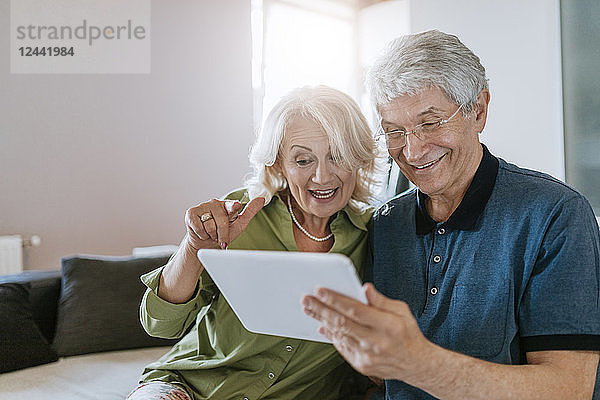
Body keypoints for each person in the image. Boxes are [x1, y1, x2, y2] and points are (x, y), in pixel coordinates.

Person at [302, 30, 600, 399]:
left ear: (478, 111)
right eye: (394, 131)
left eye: (429, 123)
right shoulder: (386, 222)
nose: (412, 150)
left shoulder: (555, 215)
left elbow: (569, 388)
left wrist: (419, 362)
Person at [126, 85, 384, 400]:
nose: (322, 176)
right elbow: (159, 325)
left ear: (358, 157)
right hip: (189, 388)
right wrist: (194, 247)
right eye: (303, 160)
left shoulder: (375, 235)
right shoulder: (241, 215)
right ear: (278, 164)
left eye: (338, 156)